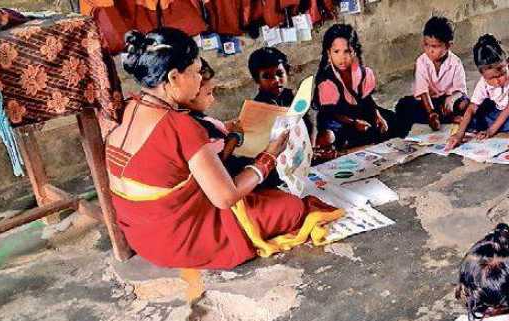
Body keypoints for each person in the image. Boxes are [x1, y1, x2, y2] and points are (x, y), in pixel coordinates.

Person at [106, 27, 342, 270]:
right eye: (197, 72)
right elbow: (226, 197)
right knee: (291, 207)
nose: (200, 81)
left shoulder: (128, 106)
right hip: (178, 239)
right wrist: (270, 154)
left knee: (263, 195)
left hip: (141, 234)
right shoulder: (179, 125)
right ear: (174, 77)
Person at [313, 23, 400, 163]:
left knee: (391, 122)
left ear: (354, 52)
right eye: (336, 52)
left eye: (347, 51)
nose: (342, 57)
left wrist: (377, 116)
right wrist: (354, 122)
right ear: (329, 53)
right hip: (336, 119)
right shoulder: (326, 80)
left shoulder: (364, 73)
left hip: (358, 114)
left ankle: (355, 148)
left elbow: (367, 100)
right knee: (328, 139)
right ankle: (343, 152)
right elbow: (330, 112)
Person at [446, 34, 509, 152]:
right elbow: (472, 107)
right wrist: (460, 134)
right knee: (475, 113)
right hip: (500, 109)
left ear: (508, 62)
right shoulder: (483, 82)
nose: (498, 81)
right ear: (482, 75)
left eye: (502, 74)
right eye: (491, 79)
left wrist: (491, 131)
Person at [394, 16, 469, 135]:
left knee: (464, 103)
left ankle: (446, 118)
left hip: (447, 102)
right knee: (403, 105)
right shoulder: (421, 61)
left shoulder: (456, 62)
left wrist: (452, 99)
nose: (429, 50)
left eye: (434, 46)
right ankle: (444, 119)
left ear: (448, 45)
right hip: (428, 102)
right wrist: (431, 113)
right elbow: (423, 91)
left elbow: (460, 90)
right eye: (426, 45)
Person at [183, 58, 257, 179]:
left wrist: (223, 126)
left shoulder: (194, 114)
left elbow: (210, 125)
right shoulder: (194, 126)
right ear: (192, 94)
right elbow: (218, 162)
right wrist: (235, 136)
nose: (212, 99)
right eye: (208, 93)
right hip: (229, 176)